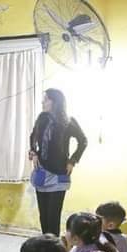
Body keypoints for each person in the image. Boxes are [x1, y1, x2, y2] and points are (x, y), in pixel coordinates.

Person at [29, 88, 87, 236]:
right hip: (42, 171)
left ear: (56, 102)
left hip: (60, 172)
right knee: (44, 215)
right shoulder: (42, 118)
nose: (43, 102)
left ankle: (53, 250)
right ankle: (45, 246)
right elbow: (33, 137)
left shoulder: (68, 121)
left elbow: (83, 141)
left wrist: (72, 160)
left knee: (53, 215)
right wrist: (34, 152)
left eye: (46, 99)